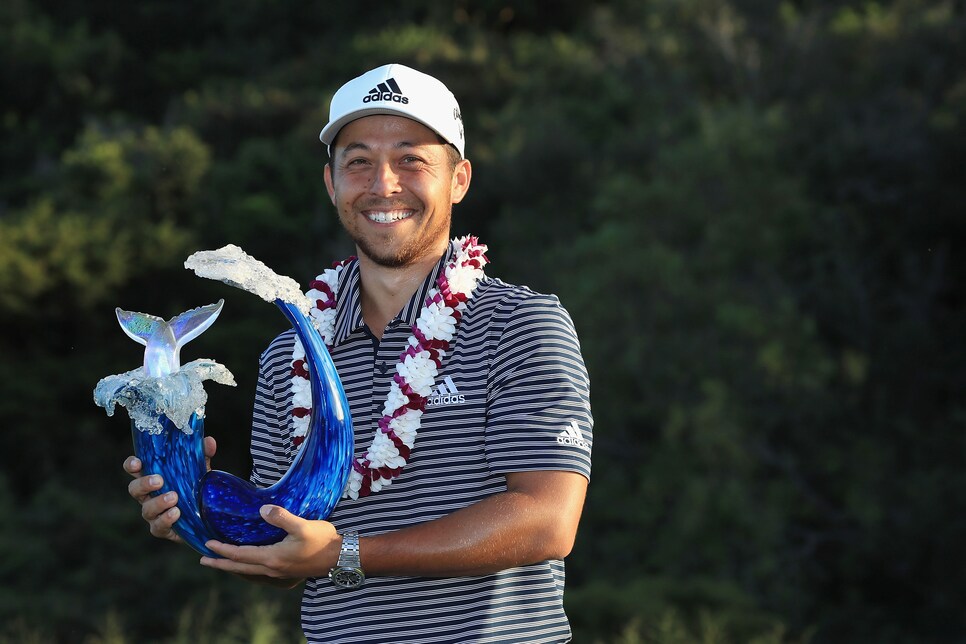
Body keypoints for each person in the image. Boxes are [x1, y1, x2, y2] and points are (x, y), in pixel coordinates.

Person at [124, 63, 593, 643]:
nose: (383, 183)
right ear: (331, 183)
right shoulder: (286, 356)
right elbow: (287, 559)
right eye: (359, 161)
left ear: (460, 179)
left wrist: (348, 555)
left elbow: (546, 521)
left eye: (411, 159)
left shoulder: (521, 324)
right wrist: (196, 513)